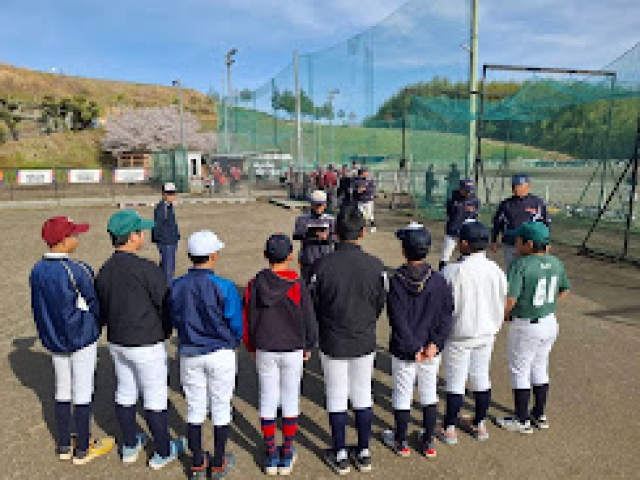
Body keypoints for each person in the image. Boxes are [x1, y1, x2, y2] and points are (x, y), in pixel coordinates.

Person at [95, 210, 186, 470]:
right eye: (140, 231)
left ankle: (130, 444)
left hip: (118, 341)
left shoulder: (105, 270)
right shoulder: (147, 269)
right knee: (155, 395)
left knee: (125, 391)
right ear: (132, 237)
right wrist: (167, 329)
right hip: (147, 341)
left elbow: (102, 307)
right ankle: (163, 450)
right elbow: (165, 304)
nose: (144, 235)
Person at [29, 216, 115, 464]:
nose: (77, 239)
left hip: (54, 338)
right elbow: (94, 302)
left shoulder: (36, 270)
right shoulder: (76, 269)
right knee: (83, 389)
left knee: (63, 388)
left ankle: (65, 444)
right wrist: (95, 325)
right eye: (74, 235)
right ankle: (83, 447)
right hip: (81, 337)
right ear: (64, 240)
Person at [311, 207, 387, 475]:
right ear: (362, 233)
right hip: (363, 338)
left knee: (336, 394)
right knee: (362, 393)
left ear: (335, 233)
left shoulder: (322, 266)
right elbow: (380, 303)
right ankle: (364, 451)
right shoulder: (376, 266)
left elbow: (314, 304)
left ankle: (341, 453)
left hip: (332, 340)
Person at [168, 231, 242, 479]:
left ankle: (198, 462)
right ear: (212, 256)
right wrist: (234, 340)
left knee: (195, 407)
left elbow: (173, 316)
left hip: (190, 351)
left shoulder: (177, 285)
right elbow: (235, 322)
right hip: (220, 351)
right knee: (221, 406)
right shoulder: (224, 286)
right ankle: (218, 462)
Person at [243, 234, 318, 476]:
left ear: (265, 255)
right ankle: (286, 452)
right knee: (290, 398)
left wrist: (251, 346)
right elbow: (308, 318)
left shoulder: (255, 283)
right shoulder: (297, 283)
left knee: (267, 398)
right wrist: (309, 345)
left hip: (265, 347)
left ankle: (271, 452)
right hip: (292, 348)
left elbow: (248, 318)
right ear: (291, 256)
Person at [381, 222, 453, 459]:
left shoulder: (397, 280)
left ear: (404, 251)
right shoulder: (438, 280)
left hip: (405, 348)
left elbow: (397, 319)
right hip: (430, 349)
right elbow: (446, 315)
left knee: (403, 393)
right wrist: (435, 344)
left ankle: (401, 441)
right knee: (428, 392)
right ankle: (428, 440)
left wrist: (414, 347)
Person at [496, 222, 570, 434]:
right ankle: (539, 414)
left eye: (519, 240)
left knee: (520, 370)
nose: (516, 243)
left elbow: (511, 298)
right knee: (539, 367)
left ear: (529, 244)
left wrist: (504, 314)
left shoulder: (521, 264)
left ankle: (521, 419)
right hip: (549, 322)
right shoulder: (555, 262)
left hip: (526, 325)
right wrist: (547, 304)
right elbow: (565, 289)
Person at [440, 222, 507, 445]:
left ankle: (449, 428)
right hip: (487, 332)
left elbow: (442, 305)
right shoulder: (495, 269)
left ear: (464, 243)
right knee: (480, 377)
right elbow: (503, 299)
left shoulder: (452, 270)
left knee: (456, 380)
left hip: (459, 334)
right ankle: (479, 424)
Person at [491, 174, 550, 270]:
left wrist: (545, 242)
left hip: (530, 245)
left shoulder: (537, 203)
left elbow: (545, 223)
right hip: (510, 243)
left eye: (519, 186)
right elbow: (497, 223)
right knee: (512, 270)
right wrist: (494, 240)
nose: (515, 188)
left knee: (530, 270)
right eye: (513, 186)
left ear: (527, 186)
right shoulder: (506, 204)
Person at [292, 190, 335, 285]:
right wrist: (308, 234)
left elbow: (336, 238)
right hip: (308, 257)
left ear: (325, 205)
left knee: (324, 284)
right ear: (311, 204)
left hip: (325, 257)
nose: (318, 208)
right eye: (316, 205)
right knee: (306, 285)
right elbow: (296, 235)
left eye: (321, 205)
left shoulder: (331, 220)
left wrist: (327, 237)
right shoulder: (302, 219)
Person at [440, 179, 481, 270]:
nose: (468, 192)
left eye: (470, 190)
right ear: (460, 189)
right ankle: (441, 273)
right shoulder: (453, 200)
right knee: (445, 256)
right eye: (466, 190)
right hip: (452, 232)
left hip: (467, 234)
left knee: (468, 257)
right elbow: (449, 214)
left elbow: (475, 216)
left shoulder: (475, 201)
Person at [152, 182, 181, 283]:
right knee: (168, 270)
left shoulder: (169, 206)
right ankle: (167, 289)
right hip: (166, 242)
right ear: (163, 194)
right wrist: (159, 239)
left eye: (173, 193)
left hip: (171, 240)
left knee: (165, 267)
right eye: (169, 193)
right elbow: (157, 225)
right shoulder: (162, 208)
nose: (172, 196)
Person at [354, 168, 377, 233]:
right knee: (360, 214)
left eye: (367, 172)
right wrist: (357, 190)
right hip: (360, 200)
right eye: (365, 172)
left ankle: (373, 227)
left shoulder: (370, 180)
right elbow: (354, 188)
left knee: (369, 215)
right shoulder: (357, 180)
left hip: (368, 200)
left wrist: (365, 189)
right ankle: (361, 228)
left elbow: (372, 190)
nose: (367, 173)